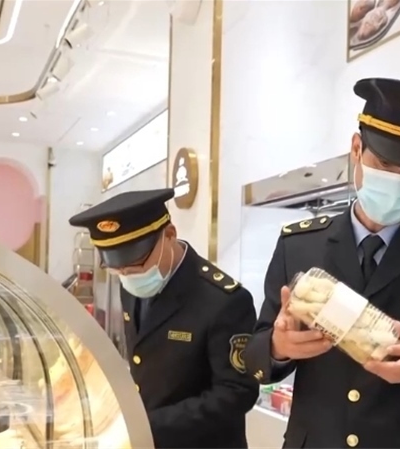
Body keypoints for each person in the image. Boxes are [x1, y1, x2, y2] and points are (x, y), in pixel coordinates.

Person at [242, 78, 400, 448]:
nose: (398, 182)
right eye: (385, 163)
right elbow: (252, 353)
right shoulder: (299, 245)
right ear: (356, 148)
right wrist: (277, 346)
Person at [69, 188, 259, 448]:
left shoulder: (223, 300)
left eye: (137, 264)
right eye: (117, 269)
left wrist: (147, 425)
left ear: (169, 235)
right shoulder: (130, 284)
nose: (127, 274)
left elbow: (236, 392)